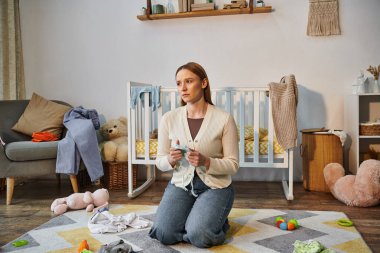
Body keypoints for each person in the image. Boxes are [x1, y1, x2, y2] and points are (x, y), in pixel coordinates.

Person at [149, 62, 239, 248]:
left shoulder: (224, 119)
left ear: (203, 83)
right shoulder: (169, 118)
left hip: (215, 186)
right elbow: (159, 161)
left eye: (189, 81)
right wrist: (170, 160)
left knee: (200, 236)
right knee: (163, 233)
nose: (183, 88)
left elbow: (233, 164)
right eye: (179, 83)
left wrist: (207, 162)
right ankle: (197, 219)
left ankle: (215, 223)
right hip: (182, 185)